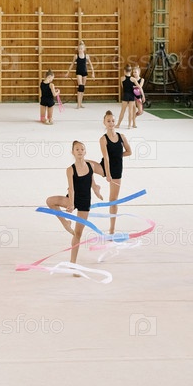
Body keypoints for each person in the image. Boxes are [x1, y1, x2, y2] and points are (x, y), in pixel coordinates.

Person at [45, 141, 105, 272]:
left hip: (85, 202)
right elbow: (71, 189)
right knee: (50, 201)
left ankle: (73, 263)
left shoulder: (90, 165)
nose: (80, 151)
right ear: (72, 152)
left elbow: (92, 182)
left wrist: (97, 190)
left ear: (85, 151)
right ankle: (65, 222)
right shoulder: (70, 169)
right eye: (77, 149)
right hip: (72, 198)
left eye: (82, 149)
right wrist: (71, 203)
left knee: (78, 233)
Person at [99, 111, 132, 234]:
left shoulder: (122, 136)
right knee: (87, 165)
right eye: (108, 121)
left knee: (113, 200)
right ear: (104, 123)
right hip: (104, 167)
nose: (111, 123)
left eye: (113, 121)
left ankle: (112, 228)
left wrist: (118, 156)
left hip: (117, 169)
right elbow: (106, 158)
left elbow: (129, 152)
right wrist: (108, 174)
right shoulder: (103, 139)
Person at [65, 41, 95, 109]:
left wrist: (93, 73)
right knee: (80, 87)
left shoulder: (87, 56)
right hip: (78, 72)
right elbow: (72, 64)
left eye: (81, 49)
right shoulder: (76, 56)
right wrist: (68, 72)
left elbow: (91, 65)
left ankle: (80, 103)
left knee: (83, 88)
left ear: (84, 49)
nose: (80, 50)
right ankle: (78, 104)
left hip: (85, 72)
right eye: (79, 49)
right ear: (78, 49)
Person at [117, 65, 136, 129]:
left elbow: (122, 87)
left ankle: (118, 124)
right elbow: (139, 87)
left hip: (125, 95)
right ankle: (129, 125)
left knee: (122, 110)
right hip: (132, 95)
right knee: (130, 111)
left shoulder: (122, 78)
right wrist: (142, 95)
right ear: (131, 71)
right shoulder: (133, 79)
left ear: (124, 71)